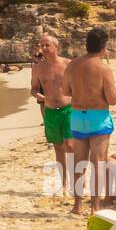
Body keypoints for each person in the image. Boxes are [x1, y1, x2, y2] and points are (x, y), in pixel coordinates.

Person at [65, 28, 116, 214]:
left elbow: (66, 91)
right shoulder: (103, 68)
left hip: (78, 116)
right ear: (104, 47)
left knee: (79, 163)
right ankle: (95, 206)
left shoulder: (72, 66)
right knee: (98, 163)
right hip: (98, 117)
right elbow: (111, 98)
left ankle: (77, 205)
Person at [30, 34, 73, 199]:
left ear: (56, 46)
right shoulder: (37, 68)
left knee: (70, 146)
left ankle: (75, 179)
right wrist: (38, 96)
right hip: (50, 111)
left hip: (68, 109)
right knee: (58, 147)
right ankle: (63, 183)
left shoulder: (68, 64)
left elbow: (79, 84)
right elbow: (33, 89)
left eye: (47, 45)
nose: (43, 48)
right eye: (42, 45)